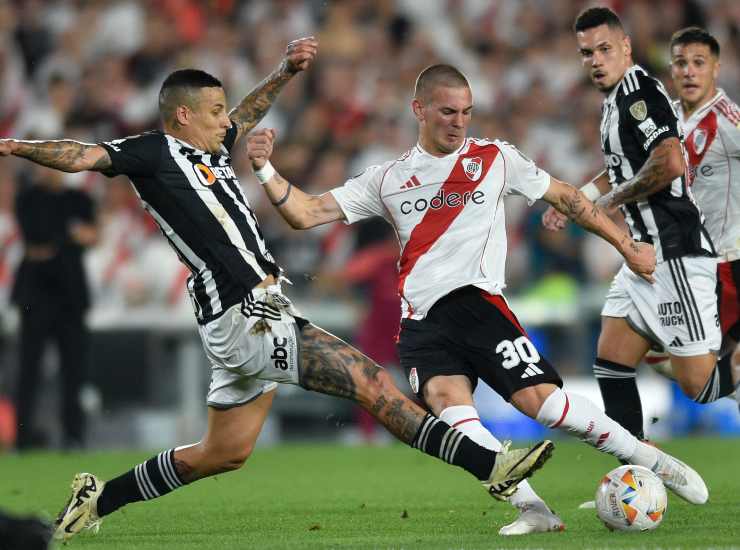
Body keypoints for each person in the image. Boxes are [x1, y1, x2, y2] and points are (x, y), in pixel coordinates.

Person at [0, 38, 555, 543]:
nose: (228, 121)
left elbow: (247, 113)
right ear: (183, 115)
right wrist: (13, 146)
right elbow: (79, 154)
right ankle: (491, 467)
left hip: (241, 317)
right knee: (369, 380)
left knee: (223, 452)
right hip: (246, 314)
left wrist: (285, 72)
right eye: (215, 111)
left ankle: (99, 499)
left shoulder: (211, 151)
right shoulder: (152, 153)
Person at [245, 62, 710, 537]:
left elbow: (567, 197)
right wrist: (263, 168)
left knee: (543, 405)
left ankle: (649, 458)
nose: (459, 122)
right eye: (447, 112)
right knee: (451, 412)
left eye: (467, 112)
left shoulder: (495, 159)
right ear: (419, 110)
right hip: (421, 322)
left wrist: (626, 245)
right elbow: (305, 212)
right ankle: (534, 510)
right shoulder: (386, 178)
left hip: (478, 305)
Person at [541, 7, 739, 442]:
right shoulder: (614, 102)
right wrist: (581, 199)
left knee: (698, 385)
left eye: (605, 49)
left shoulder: (638, 94)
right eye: (586, 52)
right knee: (610, 361)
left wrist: (606, 203)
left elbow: (669, 162)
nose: (595, 59)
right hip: (641, 255)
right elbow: (624, 167)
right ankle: (640, 470)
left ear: (625, 47)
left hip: (674, 252)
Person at [641, 28, 740, 399]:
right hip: (686, 260)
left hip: (728, 262)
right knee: (660, 354)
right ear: (671, 69)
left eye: (699, 63)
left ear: (715, 68)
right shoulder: (666, 119)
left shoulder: (729, 122)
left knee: (688, 365)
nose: (689, 71)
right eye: (681, 63)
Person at [12, 164, 97, 450]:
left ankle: (74, 436)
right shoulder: (28, 199)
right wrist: (71, 236)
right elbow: (36, 240)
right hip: (36, 296)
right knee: (28, 369)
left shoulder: (80, 199)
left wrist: (56, 243)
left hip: (70, 295)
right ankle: (22, 438)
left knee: (74, 369)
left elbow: (90, 236)